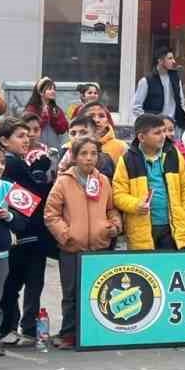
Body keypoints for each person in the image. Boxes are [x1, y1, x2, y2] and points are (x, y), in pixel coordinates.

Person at [43, 134, 121, 349]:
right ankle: (68, 334)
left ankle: (96, 332)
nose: (89, 158)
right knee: (71, 293)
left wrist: (113, 226)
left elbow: (111, 208)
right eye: (84, 154)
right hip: (72, 248)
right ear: (75, 157)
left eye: (94, 153)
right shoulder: (64, 182)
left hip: (99, 247)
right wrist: (65, 234)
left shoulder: (103, 180)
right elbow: (51, 214)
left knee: (99, 292)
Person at [0, 115, 55, 346]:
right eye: (20, 136)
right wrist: (43, 176)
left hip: (28, 235)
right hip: (23, 235)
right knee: (18, 283)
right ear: (4, 140)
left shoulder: (19, 162)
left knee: (30, 283)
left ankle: (24, 327)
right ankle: (12, 328)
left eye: (28, 135)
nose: (27, 140)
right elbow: (33, 197)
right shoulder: (12, 163)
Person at [113, 115, 185, 252]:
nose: (163, 136)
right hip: (141, 230)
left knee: (169, 270)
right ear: (142, 137)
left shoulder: (174, 154)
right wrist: (136, 205)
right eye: (157, 133)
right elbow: (118, 194)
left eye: (163, 131)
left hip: (172, 227)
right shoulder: (127, 160)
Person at [131, 46, 185, 130]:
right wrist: (150, 123)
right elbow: (136, 107)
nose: (174, 61)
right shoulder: (146, 81)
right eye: (170, 58)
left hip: (174, 126)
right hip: (155, 127)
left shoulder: (176, 79)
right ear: (160, 60)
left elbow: (181, 102)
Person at [0, 144, 13, 356]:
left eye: (1, 163)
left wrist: (10, 216)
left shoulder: (9, 189)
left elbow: (24, 222)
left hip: (0, 255)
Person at [24, 77, 69, 149]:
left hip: (54, 148)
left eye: (54, 89)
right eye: (49, 89)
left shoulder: (56, 109)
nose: (53, 91)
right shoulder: (31, 109)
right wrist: (43, 117)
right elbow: (29, 127)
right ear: (41, 92)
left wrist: (54, 117)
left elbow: (63, 129)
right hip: (36, 147)